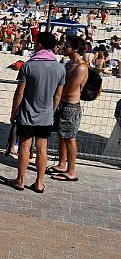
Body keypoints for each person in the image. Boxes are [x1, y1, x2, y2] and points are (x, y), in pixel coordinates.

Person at [7, 32, 65, 193]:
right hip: (46, 115)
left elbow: (19, 93)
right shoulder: (60, 68)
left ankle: (20, 180)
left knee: (25, 147)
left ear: (39, 44)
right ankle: (39, 183)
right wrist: (51, 112)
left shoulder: (28, 66)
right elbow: (58, 95)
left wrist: (13, 112)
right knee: (42, 148)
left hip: (27, 113)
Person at [48, 35, 88, 182]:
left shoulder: (81, 67)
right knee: (61, 135)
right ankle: (61, 164)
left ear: (76, 48)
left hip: (71, 106)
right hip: (62, 104)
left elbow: (71, 89)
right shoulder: (68, 63)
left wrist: (56, 94)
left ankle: (71, 171)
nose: (64, 47)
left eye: (68, 45)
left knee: (70, 138)